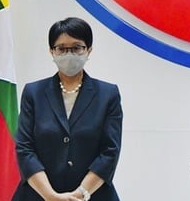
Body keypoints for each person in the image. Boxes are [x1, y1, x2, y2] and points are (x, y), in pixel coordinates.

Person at [13, 17, 122, 201]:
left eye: (77, 47)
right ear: (51, 51)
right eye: (61, 48)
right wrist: (50, 196)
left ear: (88, 50)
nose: (69, 53)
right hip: (38, 195)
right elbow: (25, 149)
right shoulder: (34, 92)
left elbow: (109, 152)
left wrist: (80, 194)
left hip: (93, 196)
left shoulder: (108, 94)